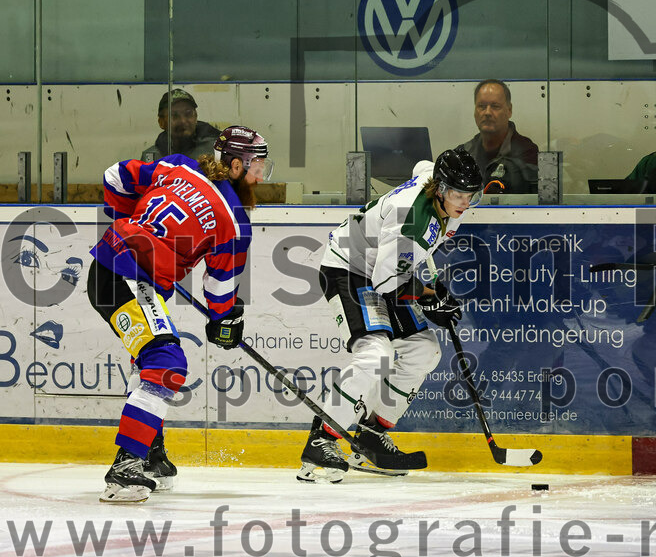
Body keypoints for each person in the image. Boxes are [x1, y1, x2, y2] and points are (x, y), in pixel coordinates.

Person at [89, 126, 272, 502]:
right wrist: (226, 321)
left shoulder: (178, 167)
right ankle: (127, 465)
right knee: (167, 361)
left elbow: (115, 175)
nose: (260, 178)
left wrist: (129, 223)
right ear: (236, 165)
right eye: (257, 168)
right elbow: (219, 292)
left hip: (114, 267)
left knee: (148, 361)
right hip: (126, 277)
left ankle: (152, 456)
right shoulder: (235, 222)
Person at [298, 148, 483, 483]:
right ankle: (322, 439)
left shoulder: (436, 186)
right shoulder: (410, 220)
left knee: (424, 350)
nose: (465, 203)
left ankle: (370, 434)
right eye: (458, 194)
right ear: (439, 189)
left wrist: (433, 297)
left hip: (383, 270)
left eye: (472, 195)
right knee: (376, 356)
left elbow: (422, 165)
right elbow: (387, 282)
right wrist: (431, 298)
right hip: (350, 269)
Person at [461, 79, 539, 195]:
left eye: (495, 106)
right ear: (474, 111)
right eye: (481, 106)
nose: (487, 112)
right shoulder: (463, 153)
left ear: (509, 110)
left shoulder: (527, 153)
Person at [141, 89, 221, 162]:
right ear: (161, 122)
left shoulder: (216, 150)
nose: (183, 121)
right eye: (174, 116)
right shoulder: (152, 157)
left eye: (188, 114)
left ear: (196, 117)